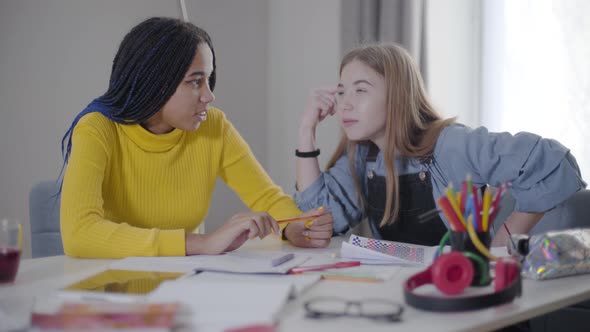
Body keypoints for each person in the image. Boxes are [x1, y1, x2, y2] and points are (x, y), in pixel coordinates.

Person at [60, 17, 333, 259]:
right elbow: (80, 233)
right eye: (195, 82)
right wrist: (202, 243)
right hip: (110, 293)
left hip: (185, 286)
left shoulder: (214, 126)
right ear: (155, 83)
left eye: (209, 79)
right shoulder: (97, 129)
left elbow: (267, 197)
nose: (209, 96)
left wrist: (294, 226)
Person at [293, 43, 586, 247]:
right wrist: (307, 132)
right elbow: (318, 220)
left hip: (469, 299)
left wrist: (499, 248)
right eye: (342, 92)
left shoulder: (451, 144)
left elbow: (552, 162)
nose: (346, 104)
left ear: (397, 95)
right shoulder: (362, 155)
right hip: (404, 298)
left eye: (361, 90)